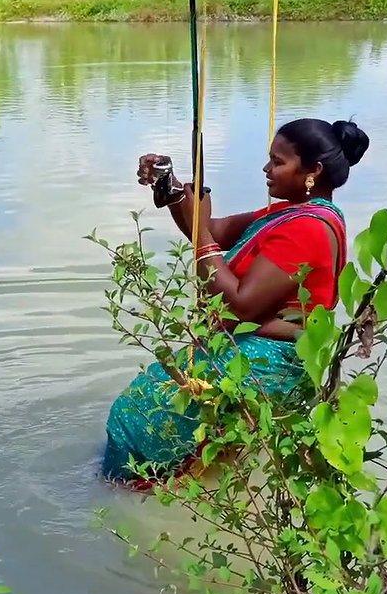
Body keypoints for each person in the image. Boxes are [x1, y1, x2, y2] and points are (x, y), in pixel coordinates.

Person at [99, 117, 370, 489]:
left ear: (313, 171)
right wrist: (173, 187)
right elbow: (214, 230)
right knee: (139, 416)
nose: (266, 169)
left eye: (278, 161)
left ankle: (129, 500)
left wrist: (201, 239)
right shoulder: (291, 213)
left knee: (137, 424)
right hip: (252, 345)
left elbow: (239, 305)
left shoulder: (307, 228)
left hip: (266, 363)